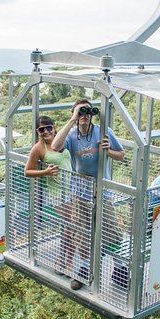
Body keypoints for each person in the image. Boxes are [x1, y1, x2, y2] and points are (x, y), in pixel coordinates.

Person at [52, 99, 126, 290]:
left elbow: (121, 154)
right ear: (74, 113)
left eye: (87, 112)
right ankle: (85, 271)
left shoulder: (103, 131)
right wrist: (72, 119)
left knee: (112, 231)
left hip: (102, 191)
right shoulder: (71, 135)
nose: (85, 115)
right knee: (82, 232)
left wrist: (108, 151)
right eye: (81, 112)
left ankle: (119, 270)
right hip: (80, 192)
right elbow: (55, 146)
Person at [25, 115, 74, 275]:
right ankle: (65, 261)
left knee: (71, 226)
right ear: (37, 132)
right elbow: (28, 171)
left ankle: (65, 260)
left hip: (72, 189)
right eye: (41, 129)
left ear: (54, 127)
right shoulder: (39, 148)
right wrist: (45, 172)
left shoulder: (63, 140)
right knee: (71, 225)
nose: (46, 131)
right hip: (57, 193)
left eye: (49, 128)